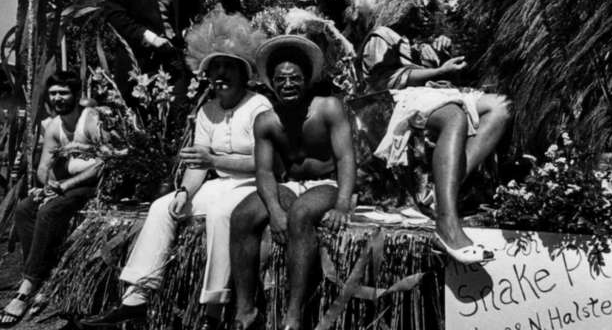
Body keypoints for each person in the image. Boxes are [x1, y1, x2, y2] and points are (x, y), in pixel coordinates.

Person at [81, 19, 271, 327]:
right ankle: (136, 297)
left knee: (221, 214)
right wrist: (184, 192)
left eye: (228, 67)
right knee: (162, 207)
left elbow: (266, 163)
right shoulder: (207, 110)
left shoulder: (259, 106)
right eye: (215, 68)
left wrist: (214, 161)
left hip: (253, 185)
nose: (221, 74)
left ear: (243, 72)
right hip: (220, 184)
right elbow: (197, 164)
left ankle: (214, 309)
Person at [359, 0, 512, 264]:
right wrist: (439, 70)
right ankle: (446, 223)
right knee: (454, 114)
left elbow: (447, 79)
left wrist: (443, 57)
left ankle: (439, 193)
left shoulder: (428, 42)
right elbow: (381, 81)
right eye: (420, 10)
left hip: (435, 97)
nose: (427, 16)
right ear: (402, 8)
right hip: (395, 101)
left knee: (500, 106)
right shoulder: (383, 36)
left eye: (430, 10)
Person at [230, 35, 356, 330]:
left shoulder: (329, 108)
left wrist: (342, 204)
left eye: (294, 78)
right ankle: (245, 310)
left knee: (300, 214)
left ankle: (293, 315)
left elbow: (345, 158)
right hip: (289, 184)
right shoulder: (266, 120)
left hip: (326, 184)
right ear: (271, 83)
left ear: (307, 80)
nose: (287, 84)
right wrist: (274, 210)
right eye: (280, 79)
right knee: (242, 215)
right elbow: (264, 172)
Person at [0, 71, 103, 327]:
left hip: (94, 185)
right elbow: (44, 167)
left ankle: (26, 288)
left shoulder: (91, 120)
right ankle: (39, 274)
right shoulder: (54, 126)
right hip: (64, 186)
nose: (57, 98)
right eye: (53, 93)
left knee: (49, 211)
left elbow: (105, 162)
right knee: (25, 209)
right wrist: (45, 187)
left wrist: (64, 185)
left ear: (76, 95)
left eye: (63, 93)